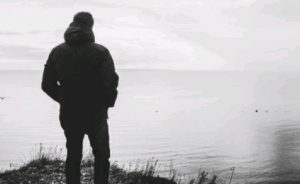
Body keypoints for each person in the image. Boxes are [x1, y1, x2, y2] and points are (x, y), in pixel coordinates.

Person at [41, 12, 119, 184]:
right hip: (96, 113)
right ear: (91, 26)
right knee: (101, 155)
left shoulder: (56, 51)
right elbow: (110, 83)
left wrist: (64, 98)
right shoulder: (101, 52)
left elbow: (47, 85)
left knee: (73, 154)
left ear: (73, 24)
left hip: (70, 112)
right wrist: (105, 103)